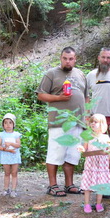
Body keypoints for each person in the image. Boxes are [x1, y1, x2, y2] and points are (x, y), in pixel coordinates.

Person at [37, 46, 88, 197]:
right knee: (55, 153)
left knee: (73, 154)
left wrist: (87, 115)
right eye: (65, 58)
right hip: (58, 121)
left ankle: (69, 184)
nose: (67, 61)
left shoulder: (80, 74)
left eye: (71, 59)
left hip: (78, 121)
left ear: (75, 59)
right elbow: (41, 95)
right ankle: (53, 185)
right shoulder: (52, 74)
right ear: (61, 58)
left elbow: (86, 97)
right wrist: (58, 98)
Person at [77, 114, 110, 213]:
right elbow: (85, 149)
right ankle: (87, 204)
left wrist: (109, 157)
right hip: (90, 164)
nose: (92, 123)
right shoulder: (88, 137)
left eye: (95, 122)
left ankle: (98, 203)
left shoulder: (106, 137)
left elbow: (109, 150)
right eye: (91, 122)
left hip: (101, 165)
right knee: (87, 185)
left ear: (102, 124)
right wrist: (81, 149)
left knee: (100, 185)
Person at [0, 113, 22, 197]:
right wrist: (6, 149)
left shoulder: (16, 135)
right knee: (7, 173)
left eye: (10, 122)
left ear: (14, 124)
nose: (8, 125)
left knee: (14, 173)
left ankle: (13, 190)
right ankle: (6, 189)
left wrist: (11, 144)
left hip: (14, 156)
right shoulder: (1, 135)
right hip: (5, 156)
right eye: (5, 123)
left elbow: (18, 145)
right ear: (3, 125)